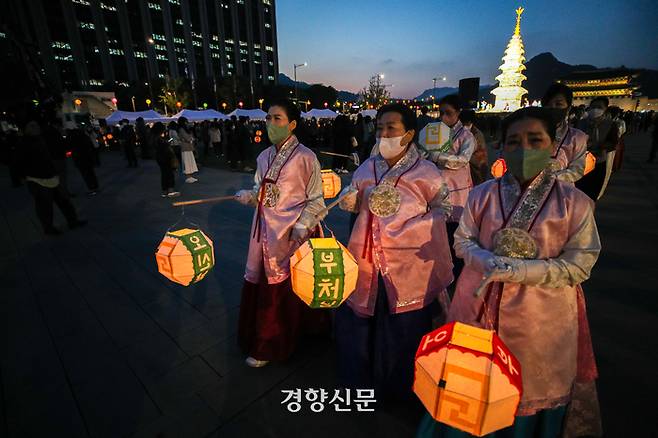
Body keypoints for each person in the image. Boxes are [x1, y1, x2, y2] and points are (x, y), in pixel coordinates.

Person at [420, 108, 601, 437]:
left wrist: (522, 271)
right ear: (502, 147)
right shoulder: (482, 194)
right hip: (477, 302)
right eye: (514, 142)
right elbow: (462, 242)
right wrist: (484, 260)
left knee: (525, 386)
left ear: (551, 146)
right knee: (469, 380)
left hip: (539, 315)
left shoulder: (574, 203)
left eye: (535, 140)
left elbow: (581, 263)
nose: (524, 150)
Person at [335, 103, 453, 400]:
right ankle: (360, 382)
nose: (383, 133)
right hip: (366, 259)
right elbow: (355, 199)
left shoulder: (427, 173)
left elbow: (445, 210)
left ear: (409, 134)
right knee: (361, 320)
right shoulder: (366, 167)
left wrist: (410, 227)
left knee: (403, 327)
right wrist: (350, 199)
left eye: (391, 128)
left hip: (407, 264)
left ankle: (397, 387)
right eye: (379, 128)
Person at [234, 99, 330, 368]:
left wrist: (304, 224)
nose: (270, 123)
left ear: (292, 124)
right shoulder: (263, 156)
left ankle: (280, 339)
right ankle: (265, 339)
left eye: (277, 118)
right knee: (265, 282)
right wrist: (250, 197)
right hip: (265, 230)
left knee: (290, 283)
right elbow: (261, 191)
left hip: (294, 232)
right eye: (268, 118)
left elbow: (317, 200)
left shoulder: (306, 157)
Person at [430, 94, 476, 279]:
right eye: (441, 113)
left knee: (456, 233)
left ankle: (456, 274)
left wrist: (437, 157)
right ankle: (441, 270)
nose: (443, 117)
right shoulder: (435, 134)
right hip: (437, 188)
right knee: (438, 232)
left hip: (458, 191)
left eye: (448, 113)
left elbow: (463, 160)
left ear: (458, 113)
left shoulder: (466, 136)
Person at [17, 121, 87, 235]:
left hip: (51, 175)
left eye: (36, 125)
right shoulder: (23, 143)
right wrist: (23, 176)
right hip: (36, 179)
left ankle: (72, 221)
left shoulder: (42, 139)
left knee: (64, 201)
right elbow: (19, 162)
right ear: (27, 129)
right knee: (45, 206)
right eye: (32, 126)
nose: (36, 128)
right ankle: (48, 228)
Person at [541, 83, 588, 182]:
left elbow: (577, 170)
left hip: (562, 191)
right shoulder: (529, 132)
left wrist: (548, 179)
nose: (553, 108)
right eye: (548, 104)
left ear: (568, 108)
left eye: (558, 104)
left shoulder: (577, 137)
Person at [575, 97, 619, 201]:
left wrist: (602, 147)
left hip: (599, 162)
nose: (595, 109)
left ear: (605, 109)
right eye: (593, 107)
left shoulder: (611, 125)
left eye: (599, 107)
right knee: (578, 189)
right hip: (581, 161)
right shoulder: (581, 123)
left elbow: (613, 143)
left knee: (593, 191)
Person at [68, 127, 100, 195]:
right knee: (91, 174)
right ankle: (95, 187)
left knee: (86, 175)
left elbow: (71, 149)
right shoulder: (85, 137)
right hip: (88, 158)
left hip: (80, 160)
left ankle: (92, 189)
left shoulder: (74, 140)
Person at [460, 109, 489, 185]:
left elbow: (475, 154)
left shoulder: (476, 134)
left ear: (469, 121)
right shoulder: (465, 131)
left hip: (477, 166)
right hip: (472, 165)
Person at [152, 122, 180, 198]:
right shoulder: (159, 139)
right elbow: (165, 147)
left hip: (159, 158)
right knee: (169, 174)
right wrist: (167, 143)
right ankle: (171, 191)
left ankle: (165, 191)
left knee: (164, 174)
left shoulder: (154, 137)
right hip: (166, 157)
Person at [177, 117, 198, 183]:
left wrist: (190, 138)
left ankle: (190, 176)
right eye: (186, 122)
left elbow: (190, 138)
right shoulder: (181, 129)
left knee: (190, 161)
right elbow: (188, 138)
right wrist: (190, 138)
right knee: (187, 162)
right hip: (185, 147)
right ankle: (188, 177)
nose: (187, 123)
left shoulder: (184, 129)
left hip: (188, 147)